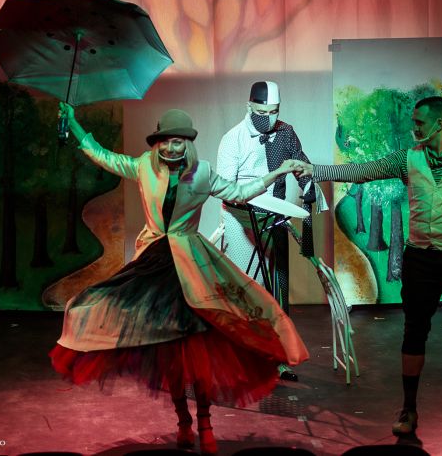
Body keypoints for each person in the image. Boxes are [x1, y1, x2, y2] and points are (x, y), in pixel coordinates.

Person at [49, 103, 309, 455]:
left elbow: (238, 194)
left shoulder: (202, 173)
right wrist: (75, 125)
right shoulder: (144, 165)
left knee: (198, 349)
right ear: (157, 143)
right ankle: (183, 421)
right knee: (169, 353)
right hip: (154, 266)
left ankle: (205, 423)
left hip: (190, 264)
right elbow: (105, 157)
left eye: (178, 141)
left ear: (188, 143)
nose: (171, 148)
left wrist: (276, 172)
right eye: (166, 141)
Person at [292, 96, 442, 437]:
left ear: (440, 123)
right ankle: (409, 409)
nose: (415, 128)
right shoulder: (408, 159)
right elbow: (363, 171)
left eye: (420, 122)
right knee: (414, 332)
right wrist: (315, 170)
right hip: (421, 259)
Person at [217, 80, 325, 381]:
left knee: (278, 288)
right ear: (249, 106)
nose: (269, 119)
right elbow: (225, 188)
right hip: (241, 218)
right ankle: (244, 359)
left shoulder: (285, 132)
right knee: (246, 289)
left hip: (274, 216)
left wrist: (308, 185)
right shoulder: (233, 139)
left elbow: (301, 164)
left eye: (274, 112)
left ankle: (278, 359)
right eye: (262, 112)